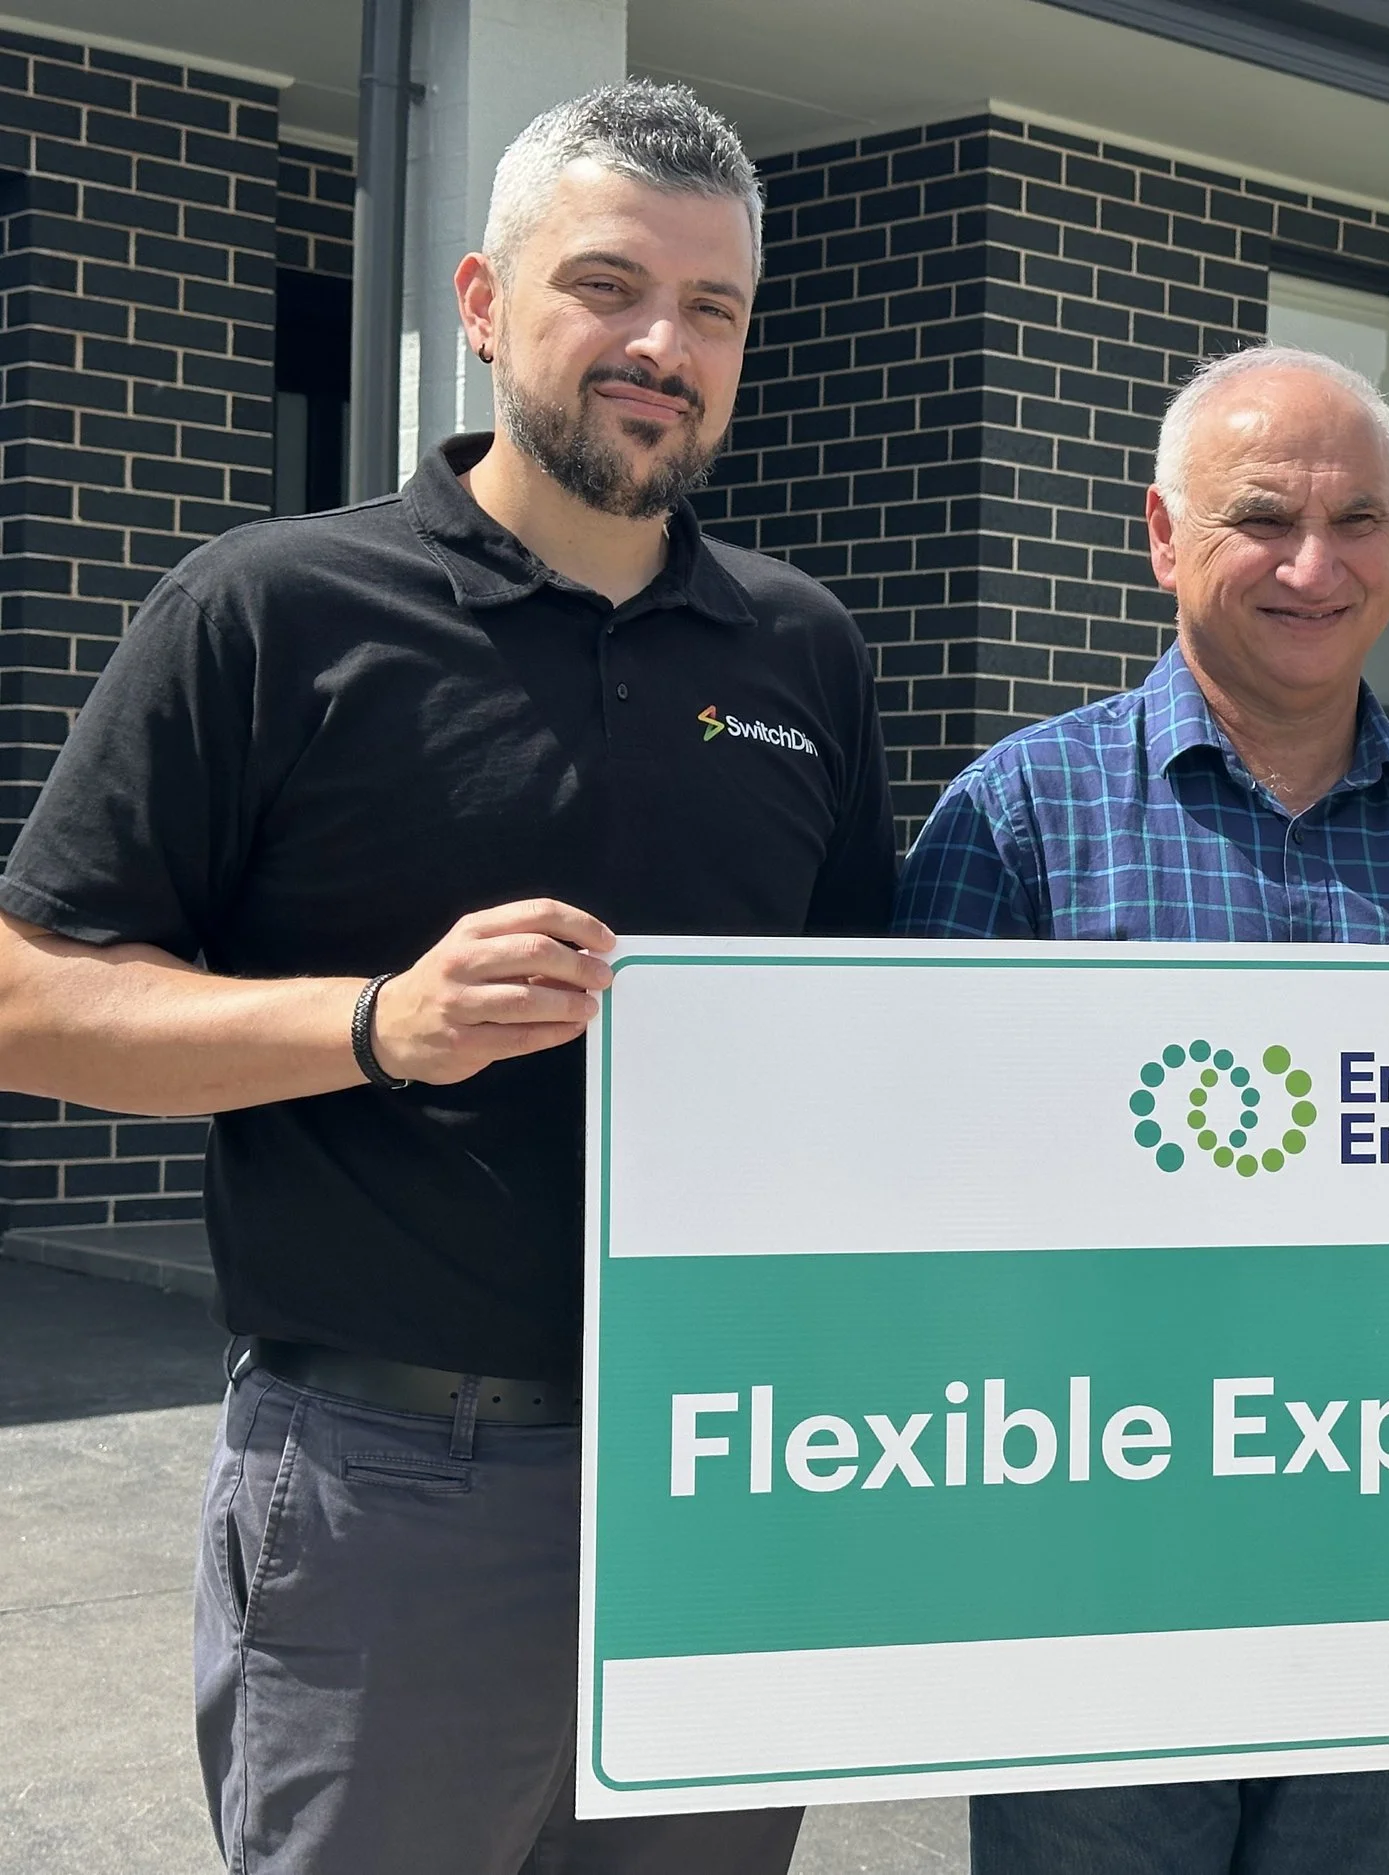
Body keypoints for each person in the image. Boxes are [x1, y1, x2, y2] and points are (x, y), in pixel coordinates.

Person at [0, 81, 892, 1874]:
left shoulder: (803, 646)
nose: (663, 345)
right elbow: (28, 992)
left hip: (718, 1480)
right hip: (393, 1489)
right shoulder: (273, 610)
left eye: (712, 310)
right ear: (482, 305)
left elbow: (857, 1037)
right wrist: (373, 1024)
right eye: (609, 287)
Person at [896, 343, 1389, 1871]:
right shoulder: (1015, 820)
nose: (1314, 566)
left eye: (1359, 525)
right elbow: (918, 1206)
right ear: (1161, 535)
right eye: (1263, 518)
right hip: (1096, 1578)